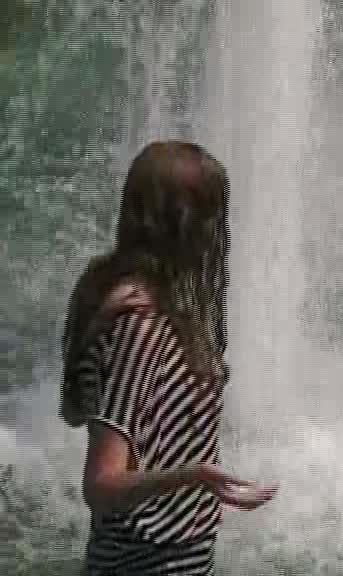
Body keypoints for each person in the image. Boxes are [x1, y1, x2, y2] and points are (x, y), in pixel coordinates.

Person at [60, 141, 278, 575]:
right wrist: (194, 475)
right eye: (213, 215)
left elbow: (74, 410)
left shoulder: (118, 294)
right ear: (185, 223)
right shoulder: (141, 323)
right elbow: (100, 486)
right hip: (151, 562)